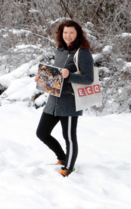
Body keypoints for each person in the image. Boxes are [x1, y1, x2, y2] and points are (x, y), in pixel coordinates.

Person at [36, 19, 94, 177]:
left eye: (72, 33)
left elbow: (89, 79)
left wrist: (70, 76)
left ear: (78, 34)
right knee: (42, 133)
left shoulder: (83, 52)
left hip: (69, 102)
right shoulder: (60, 50)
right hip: (53, 100)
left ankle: (69, 167)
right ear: (61, 33)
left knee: (69, 137)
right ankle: (62, 157)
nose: (68, 36)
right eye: (65, 32)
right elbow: (57, 74)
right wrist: (43, 78)